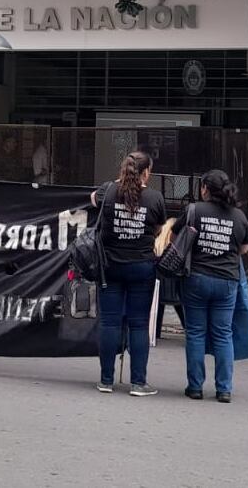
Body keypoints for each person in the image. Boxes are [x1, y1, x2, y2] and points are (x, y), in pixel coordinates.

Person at [174, 170, 248, 403]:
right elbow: (244, 250)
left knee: (196, 332)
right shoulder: (239, 216)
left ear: (205, 188)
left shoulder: (194, 210)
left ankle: (195, 387)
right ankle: (224, 389)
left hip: (196, 278)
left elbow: (175, 239)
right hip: (227, 280)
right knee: (223, 334)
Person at [95, 151, 166, 396]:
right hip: (141, 266)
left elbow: (92, 198)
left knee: (109, 322)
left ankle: (106, 380)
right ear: (146, 172)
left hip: (110, 266)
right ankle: (138, 382)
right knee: (138, 325)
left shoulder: (108, 191)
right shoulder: (155, 198)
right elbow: (157, 229)